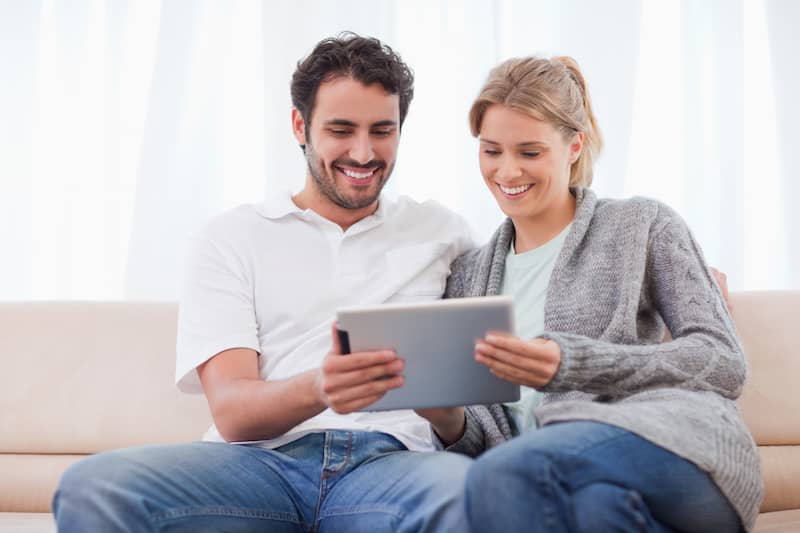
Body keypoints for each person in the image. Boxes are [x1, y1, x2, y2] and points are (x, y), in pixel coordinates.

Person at [52, 33, 474, 532]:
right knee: (94, 486)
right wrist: (323, 385)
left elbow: (470, 409)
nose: (364, 153)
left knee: (473, 492)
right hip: (259, 466)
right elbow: (233, 411)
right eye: (341, 129)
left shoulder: (444, 234)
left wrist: (442, 408)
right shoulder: (232, 237)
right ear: (301, 125)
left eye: (382, 130)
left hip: (392, 464)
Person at [436, 56, 763, 532]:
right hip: (570, 482)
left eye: (530, 152)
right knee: (592, 511)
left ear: (574, 145)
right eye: (491, 151)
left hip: (678, 446)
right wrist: (445, 418)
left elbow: (723, 360)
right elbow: (488, 436)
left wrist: (571, 362)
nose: (507, 171)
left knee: (504, 475)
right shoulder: (466, 279)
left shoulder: (641, 225)